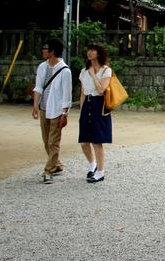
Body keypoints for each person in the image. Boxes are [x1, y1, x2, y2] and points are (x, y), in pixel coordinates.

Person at [32, 38, 72, 184]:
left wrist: (65, 113)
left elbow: (67, 95)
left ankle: (48, 170)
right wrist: (35, 106)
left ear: (52, 51)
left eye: (45, 48)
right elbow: (38, 87)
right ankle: (57, 164)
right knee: (45, 140)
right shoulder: (42, 67)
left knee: (53, 142)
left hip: (56, 110)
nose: (43, 50)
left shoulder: (65, 70)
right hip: (44, 107)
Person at [78, 43, 113, 183]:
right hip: (87, 104)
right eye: (88, 49)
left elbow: (101, 90)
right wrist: (81, 111)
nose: (89, 52)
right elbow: (82, 93)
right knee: (84, 140)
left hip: (99, 105)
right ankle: (92, 164)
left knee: (97, 141)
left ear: (99, 53)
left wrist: (93, 74)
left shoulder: (106, 70)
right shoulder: (83, 71)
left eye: (93, 50)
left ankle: (100, 171)